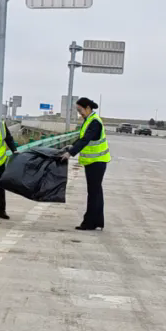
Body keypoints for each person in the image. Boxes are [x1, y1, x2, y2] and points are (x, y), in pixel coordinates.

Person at [58, 97, 111, 231]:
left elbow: (86, 140)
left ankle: (89, 223)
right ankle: (98, 221)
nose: (79, 113)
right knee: (96, 192)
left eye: (80, 110)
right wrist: (72, 146)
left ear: (88, 108)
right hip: (94, 162)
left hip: (96, 162)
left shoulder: (94, 122)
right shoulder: (89, 120)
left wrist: (70, 153)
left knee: (93, 193)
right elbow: (82, 138)